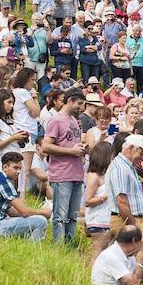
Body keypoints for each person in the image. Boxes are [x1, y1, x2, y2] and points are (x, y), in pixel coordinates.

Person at [40, 88, 88, 246]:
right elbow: (45, 147)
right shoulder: (56, 120)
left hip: (76, 173)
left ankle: (70, 245)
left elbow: (71, 144)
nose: (81, 107)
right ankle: (58, 246)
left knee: (73, 215)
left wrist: (81, 148)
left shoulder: (74, 121)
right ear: (70, 101)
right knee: (60, 215)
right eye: (79, 104)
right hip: (62, 174)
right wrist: (70, 151)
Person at [0, 151, 50, 240]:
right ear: (5, 167)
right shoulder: (4, 182)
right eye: (15, 168)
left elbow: (11, 211)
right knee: (41, 221)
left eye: (19, 168)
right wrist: (42, 212)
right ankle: (32, 248)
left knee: (32, 221)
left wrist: (29, 216)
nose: (18, 171)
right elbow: (24, 211)